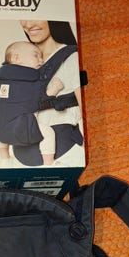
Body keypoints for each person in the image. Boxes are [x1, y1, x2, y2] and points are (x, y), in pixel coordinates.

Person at [0, 39, 80, 167]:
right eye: (36, 56)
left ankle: (5, 158)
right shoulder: (28, 77)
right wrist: (53, 90)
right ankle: (48, 163)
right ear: (16, 58)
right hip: (21, 127)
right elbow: (35, 102)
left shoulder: (4, 76)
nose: (41, 60)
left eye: (41, 56)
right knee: (48, 133)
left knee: (1, 133)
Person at [19, 20, 84, 166]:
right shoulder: (21, 58)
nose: (28, 24)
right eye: (22, 17)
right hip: (24, 152)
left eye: (36, 16)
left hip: (64, 153)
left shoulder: (72, 57)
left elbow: (85, 109)